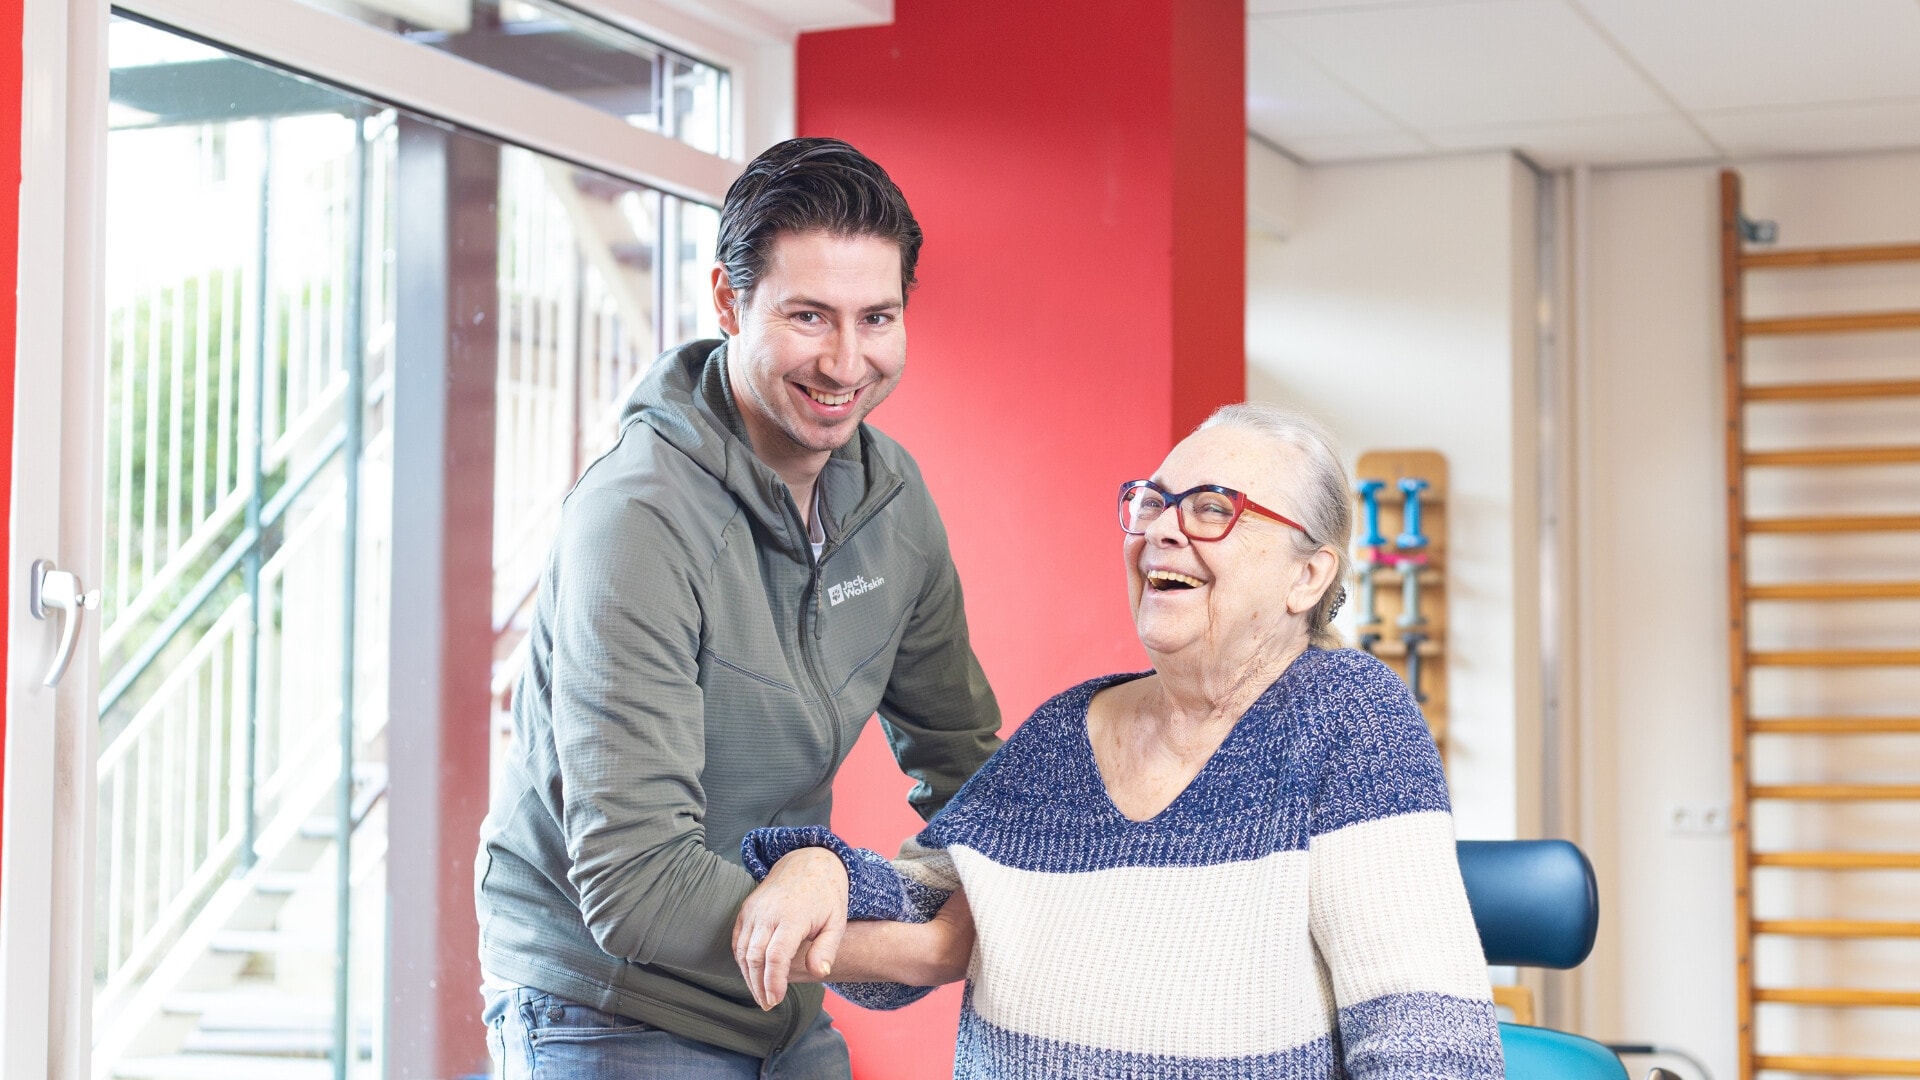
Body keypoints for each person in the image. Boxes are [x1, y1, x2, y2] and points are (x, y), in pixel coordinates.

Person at [735, 403, 1504, 1078]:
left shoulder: (1349, 718)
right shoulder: (1066, 730)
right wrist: (819, 870)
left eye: (1212, 509)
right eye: (1153, 503)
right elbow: (915, 926)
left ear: (1308, 576)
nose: (1163, 528)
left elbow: (1425, 1034)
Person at [474, 137, 1003, 1078]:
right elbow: (632, 883)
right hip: (605, 1002)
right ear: (728, 301)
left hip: (774, 997)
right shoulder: (637, 520)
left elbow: (967, 768)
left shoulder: (893, 502)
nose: (847, 363)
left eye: (876, 317)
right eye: (809, 316)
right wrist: (917, 944)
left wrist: (856, 879)